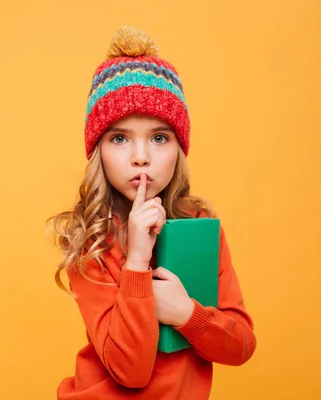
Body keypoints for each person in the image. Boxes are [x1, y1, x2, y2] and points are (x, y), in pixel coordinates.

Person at [47, 26, 256, 400]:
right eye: (120, 138)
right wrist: (138, 262)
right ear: (98, 150)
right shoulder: (89, 242)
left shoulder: (201, 231)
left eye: (159, 138)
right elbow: (131, 371)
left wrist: (186, 315)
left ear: (179, 148)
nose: (140, 156)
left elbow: (241, 346)